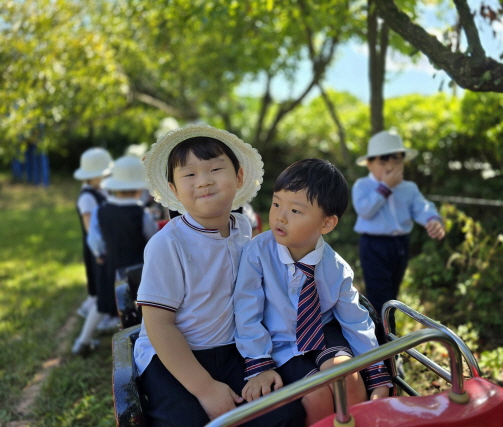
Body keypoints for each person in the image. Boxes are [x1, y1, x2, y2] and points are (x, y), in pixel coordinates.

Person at [133, 124, 305, 427]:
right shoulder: (168, 244)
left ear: (239, 177)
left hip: (231, 347)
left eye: (215, 169)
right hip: (172, 355)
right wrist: (205, 388)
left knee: (284, 414)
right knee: (187, 420)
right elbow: (159, 325)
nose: (203, 182)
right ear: (173, 189)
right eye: (189, 175)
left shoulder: (242, 229)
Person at [234, 158, 392, 426]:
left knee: (348, 379)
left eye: (295, 211)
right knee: (316, 395)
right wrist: (259, 362)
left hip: (321, 332)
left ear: (327, 224)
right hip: (279, 342)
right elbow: (246, 312)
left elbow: (355, 320)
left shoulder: (336, 267)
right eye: (276, 204)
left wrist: (377, 372)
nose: (280, 216)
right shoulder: (257, 253)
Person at [352, 130, 445, 332]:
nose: (391, 168)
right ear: (369, 164)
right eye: (383, 163)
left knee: (391, 295)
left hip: (400, 245)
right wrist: (385, 187)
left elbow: (421, 206)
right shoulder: (363, 186)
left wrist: (432, 220)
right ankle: (384, 352)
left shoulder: (408, 188)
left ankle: (387, 345)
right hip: (374, 245)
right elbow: (365, 210)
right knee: (379, 299)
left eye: (396, 162)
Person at [72, 156, 158, 354]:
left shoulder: (101, 210)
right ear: (138, 189)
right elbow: (151, 237)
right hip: (137, 268)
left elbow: (94, 237)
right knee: (141, 305)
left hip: (110, 266)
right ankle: (142, 343)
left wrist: (98, 253)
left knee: (102, 304)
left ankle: (82, 341)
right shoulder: (140, 213)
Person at [73, 147, 113, 319]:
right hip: (97, 247)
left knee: (106, 281)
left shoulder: (100, 190)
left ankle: (98, 311)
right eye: (103, 175)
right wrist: (99, 250)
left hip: (106, 244)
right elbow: (90, 229)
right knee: (100, 283)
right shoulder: (87, 197)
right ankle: (93, 312)